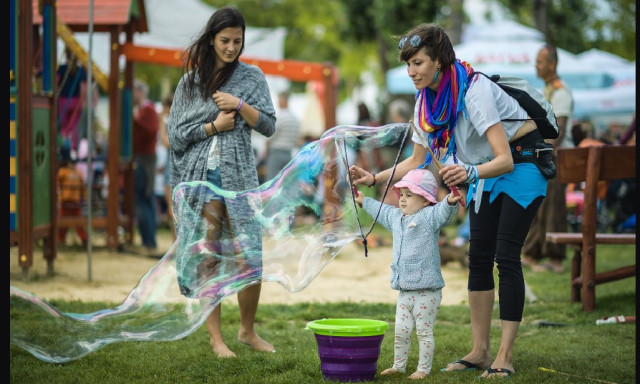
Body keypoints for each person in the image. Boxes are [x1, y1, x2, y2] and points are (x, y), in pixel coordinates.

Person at [349, 23, 550, 379]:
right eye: (408, 64)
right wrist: (375, 179)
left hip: (522, 162)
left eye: (418, 63)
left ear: (439, 61)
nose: (411, 71)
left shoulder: (475, 91)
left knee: (506, 256)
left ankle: (504, 355)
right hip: (484, 171)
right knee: (478, 257)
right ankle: (480, 350)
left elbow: (503, 158)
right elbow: (415, 160)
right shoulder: (425, 103)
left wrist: (470, 174)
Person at [167, 6, 276, 358]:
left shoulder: (252, 77)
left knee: (250, 257)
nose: (231, 48)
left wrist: (240, 104)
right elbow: (177, 135)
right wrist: (214, 125)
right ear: (212, 39)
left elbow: (269, 125)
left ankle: (247, 330)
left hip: (239, 179)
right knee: (209, 257)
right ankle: (216, 340)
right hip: (200, 183)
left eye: (237, 41)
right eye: (225, 41)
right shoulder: (190, 83)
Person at [354, 169, 460, 379]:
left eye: (409, 195)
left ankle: (423, 369)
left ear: (425, 200)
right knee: (401, 332)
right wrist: (364, 201)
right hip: (404, 291)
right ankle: (398, 366)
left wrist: (450, 201)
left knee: (423, 332)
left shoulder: (430, 217)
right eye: (401, 195)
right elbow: (382, 211)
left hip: (427, 291)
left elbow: (444, 211)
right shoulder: (396, 217)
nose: (402, 200)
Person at [521, 44, 574, 273]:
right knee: (537, 204)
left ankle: (556, 259)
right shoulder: (546, 91)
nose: (536, 65)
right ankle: (532, 253)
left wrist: (538, 153)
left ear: (552, 65)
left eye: (540, 61)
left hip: (556, 158)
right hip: (544, 156)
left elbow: (558, 133)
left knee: (553, 208)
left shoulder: (561, 92)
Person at [132, 79, 159, 256]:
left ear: (140, 92)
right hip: (143, 159)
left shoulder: (147, 110)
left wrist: (134, 120)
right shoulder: (144, 110)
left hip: (144, 160)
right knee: (145, 200)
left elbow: (150, 130)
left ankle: (149, 241)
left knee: (142, 200)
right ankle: (148, 240)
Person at [57, 48, 87, 152]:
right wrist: (82, 102)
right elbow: (83, 88)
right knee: (74, 126)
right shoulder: (80, 70)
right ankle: (73, 148)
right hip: (76, 100)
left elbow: (56, 83)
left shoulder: (62, 68)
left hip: (63, 100)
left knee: (64, 126)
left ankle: (64, 146)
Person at [265, 90, 301, 180]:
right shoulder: (295, 119)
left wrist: (266, 147)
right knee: (286, 182)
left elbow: (271, 134)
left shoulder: (280, 117)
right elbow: (296, 138)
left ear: (282, 101)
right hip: (288, 154)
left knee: (271, 180)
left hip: (276, 153)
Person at [57, 147, 88, 247]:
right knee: (63, 222)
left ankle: (84, 238)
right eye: (71, 162)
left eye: (74, 162)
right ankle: (60, 239)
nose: (73, 164)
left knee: (78, 222)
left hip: (75, 202)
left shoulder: (78, 172)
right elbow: (57, 185)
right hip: (65, 201)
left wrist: (86, 198)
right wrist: (59, 197)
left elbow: (83, 187)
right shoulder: (62, 172)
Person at [158, 93, 176, 239]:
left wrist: (161, 124)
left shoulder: (169, 122)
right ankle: (175, 239)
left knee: (171, 206)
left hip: (172, 166)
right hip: (172, 165)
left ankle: (175, 239)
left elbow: (166, 143)